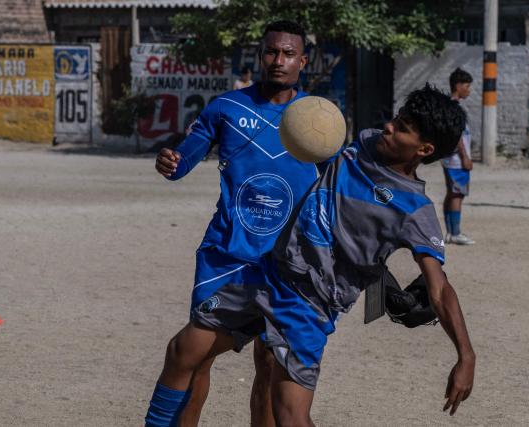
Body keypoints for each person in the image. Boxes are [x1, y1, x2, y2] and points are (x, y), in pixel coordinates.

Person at [148, 84, 476, 426]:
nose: (390, 126)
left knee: (289, 414)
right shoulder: (364, 141)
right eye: (397, 118)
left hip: (307, 307)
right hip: (267, 276)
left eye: (403, 128)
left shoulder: (415, 211)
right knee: (182, 351)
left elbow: (439, 288)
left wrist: (465, 356)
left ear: (424, 149)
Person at [145, 20, 315, 427]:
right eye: (271, 51)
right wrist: (172, 161)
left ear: (302, 61)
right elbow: (186, 156)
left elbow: (340, 187)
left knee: (272, 368)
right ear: (260, 56)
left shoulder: (316, 119)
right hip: (229, 256)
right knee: (195, 355)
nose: (279, 60)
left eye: (288, 53)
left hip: (288, 264)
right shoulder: (226, 108)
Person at [442, 67, 475, 245]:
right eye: (467, 86)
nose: (469, 90)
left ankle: (449, 232)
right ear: (458, 86)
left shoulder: (450, 106)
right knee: (457, 195)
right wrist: (465, 157)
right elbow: (457, 136)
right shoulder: (453, 108)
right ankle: (455, 233)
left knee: (451, 193)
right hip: (456, 161)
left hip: (450, 159)